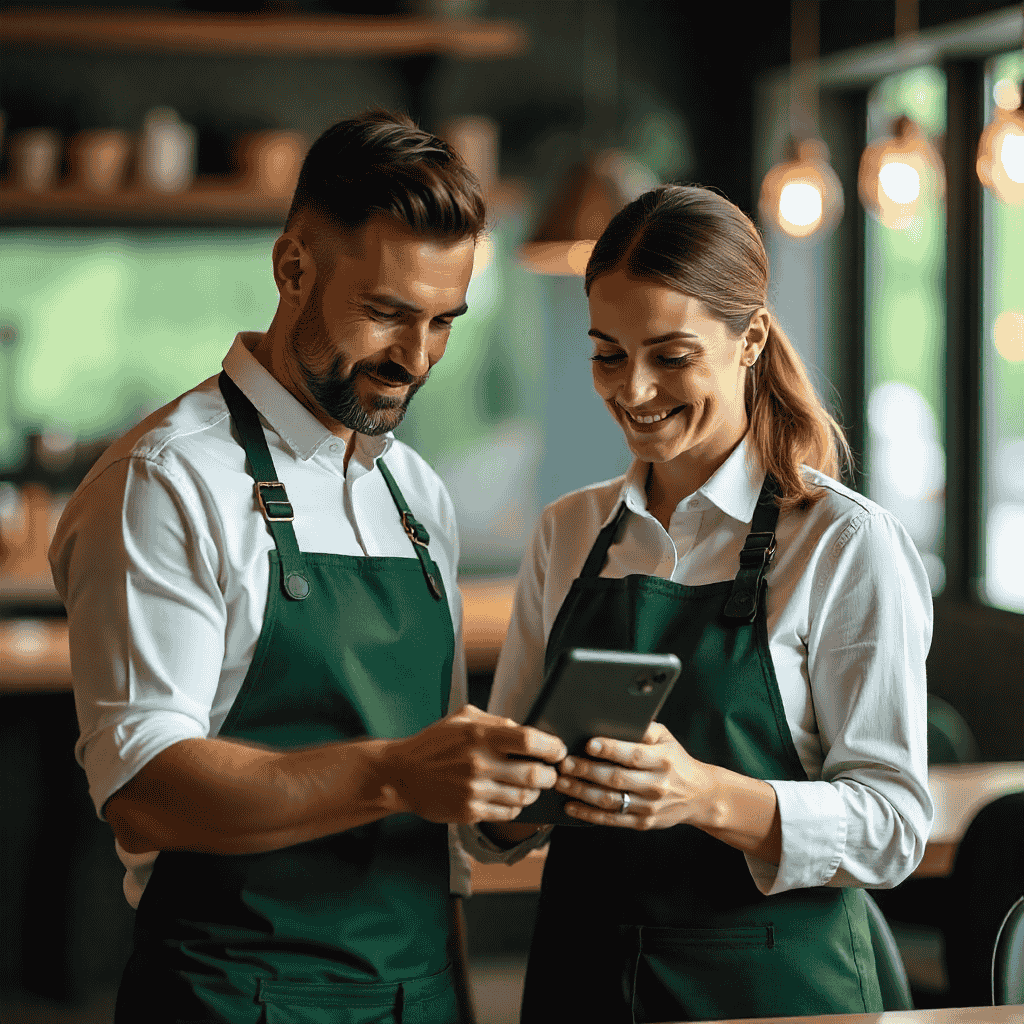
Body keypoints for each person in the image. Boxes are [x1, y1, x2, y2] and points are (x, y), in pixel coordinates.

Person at [48, 110, 566, 1024]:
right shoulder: (166, 481)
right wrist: (399, 774)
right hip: (235, 997)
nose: (415, 359)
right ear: (293, 268)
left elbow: (442, 823)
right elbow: (145, 791)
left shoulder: (415, 495)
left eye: (444, 322)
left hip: (422, 993)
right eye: (386, 314)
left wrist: (507, 797)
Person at [460, 185, 934, 1022]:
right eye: (608, 354)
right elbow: (504, 821)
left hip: (776, 995)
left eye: (671, 356)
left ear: (749, 338)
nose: (633, 390)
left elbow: (893, 826)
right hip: (584, 984)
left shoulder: (842, 544)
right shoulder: (568, 532)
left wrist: (707, 795)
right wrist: (493, 798)